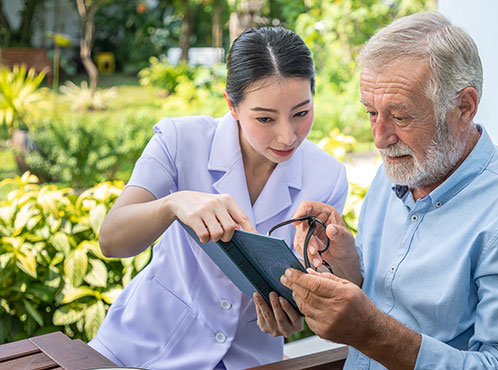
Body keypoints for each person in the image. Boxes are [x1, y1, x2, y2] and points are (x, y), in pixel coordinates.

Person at [254, 11, 498, 369]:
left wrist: (370, 333)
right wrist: (349, 264)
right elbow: (389, 299)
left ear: (464, 107)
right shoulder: (395, 176)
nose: (380, 138)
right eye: (370, 113)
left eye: (400, 117)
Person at [88, 27, 348, 370]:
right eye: (265, 118)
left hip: (248, 359)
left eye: (301, 113)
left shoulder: (327, 175)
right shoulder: (179, 139)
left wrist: (297, 312)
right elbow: (111, 240)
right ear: (232, 105)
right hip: (142, 349)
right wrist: (173, 204)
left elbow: (320, 285)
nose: (288, 135)